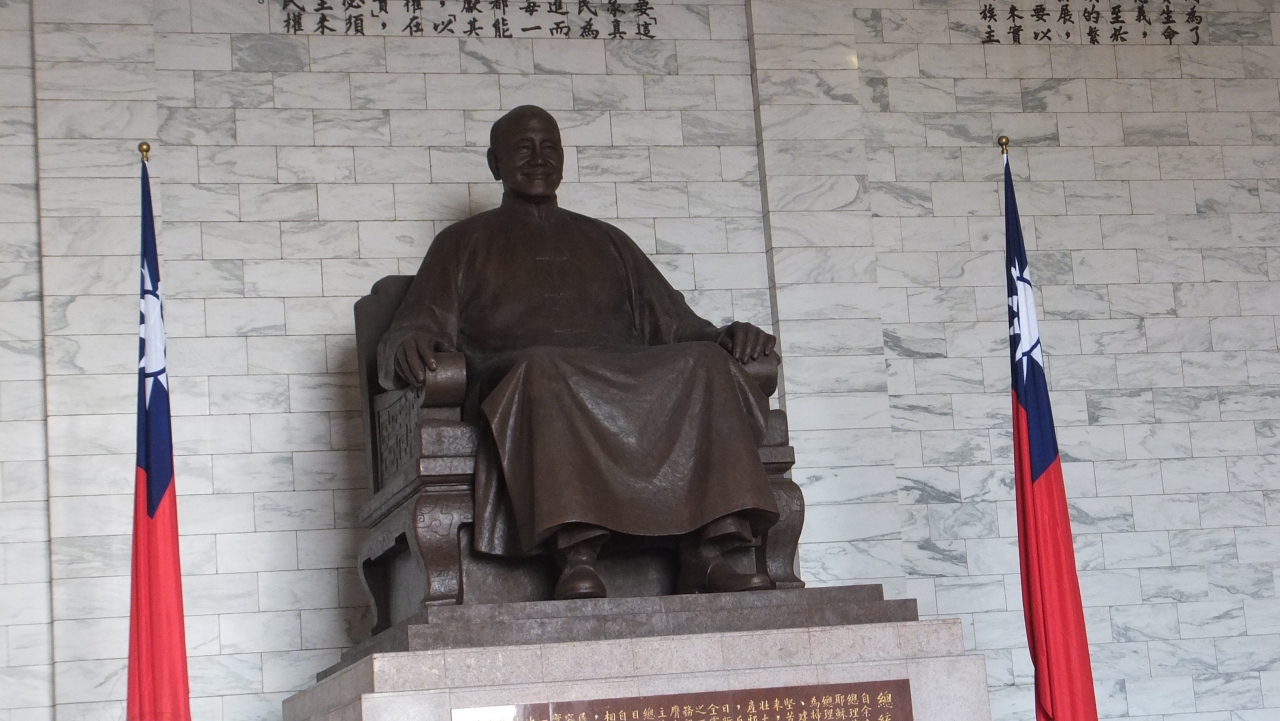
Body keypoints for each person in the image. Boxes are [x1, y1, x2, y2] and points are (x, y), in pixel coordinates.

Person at [377, 105, 780, 599]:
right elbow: (411, 328)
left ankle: (707, 554)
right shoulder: (462, 242)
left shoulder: (607, 240)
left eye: (550, 147)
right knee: (544, 366)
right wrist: (410, 344)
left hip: (619, 374)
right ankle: (576, 557)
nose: (539, 158)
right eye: (523, 148)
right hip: (524, 375)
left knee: (706, 364)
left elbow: (676, 323)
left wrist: (726, 338)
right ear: (494, 163)